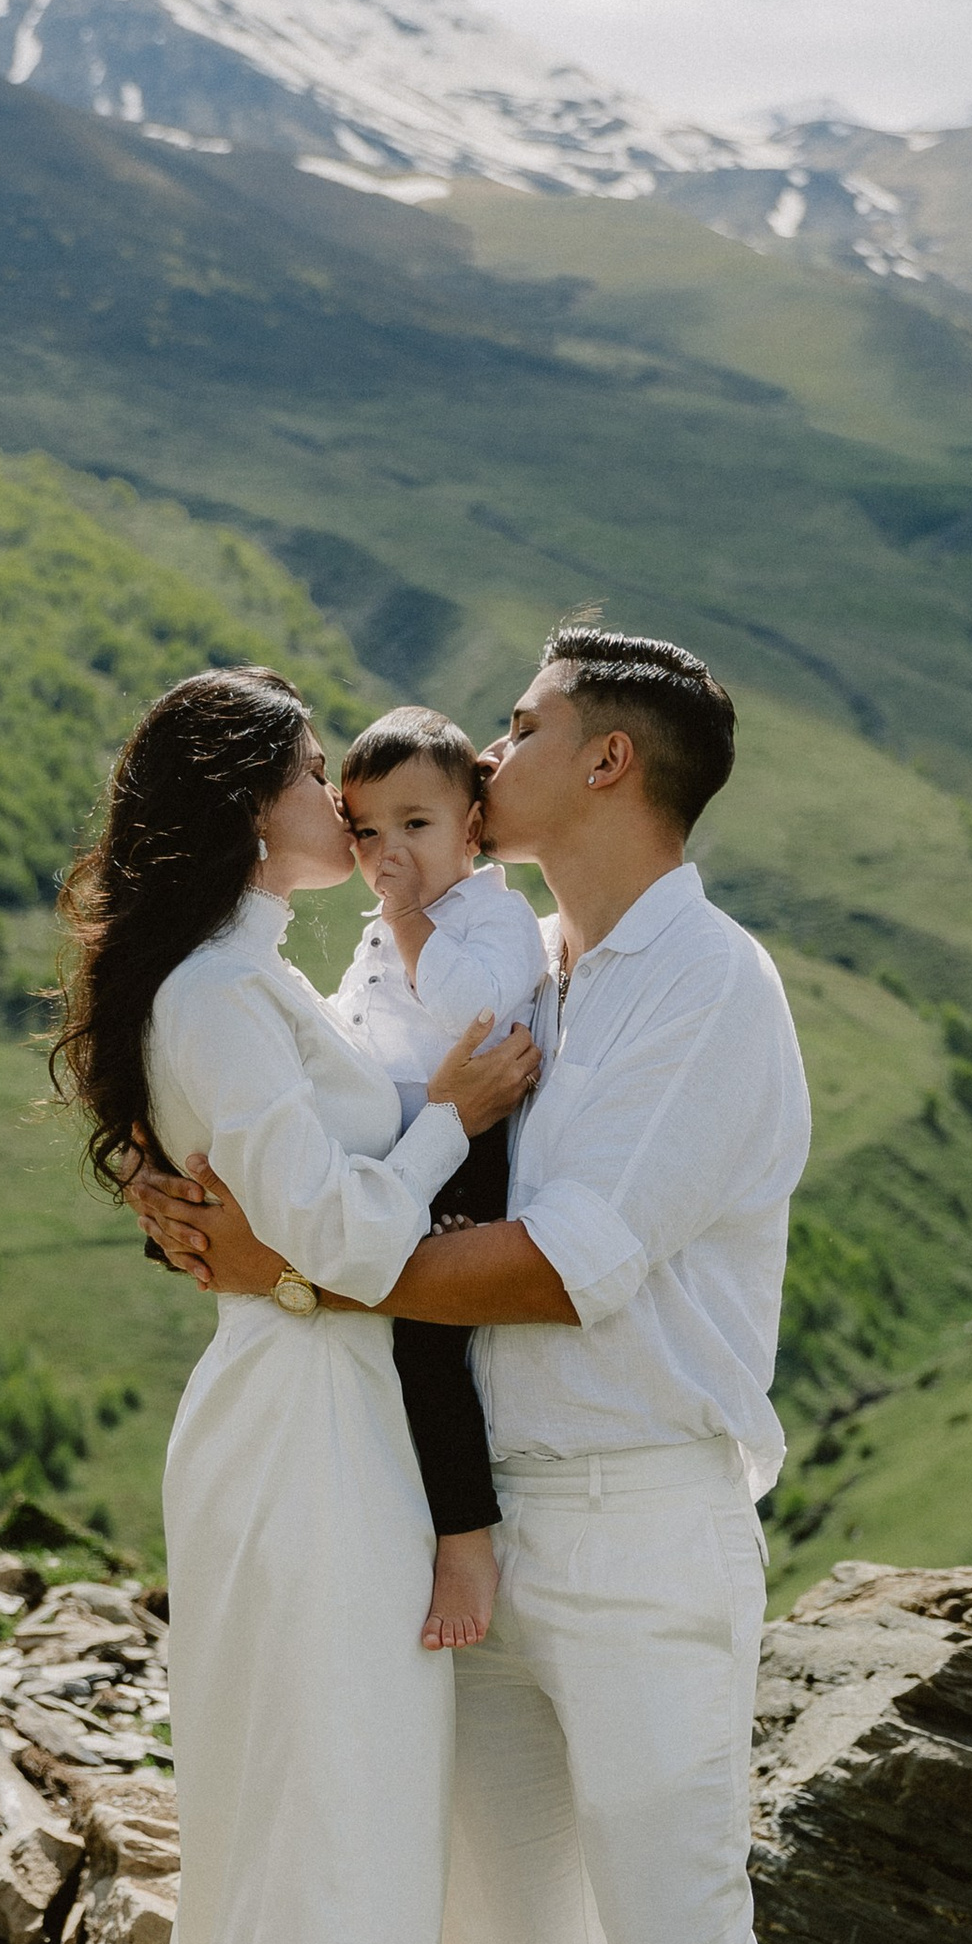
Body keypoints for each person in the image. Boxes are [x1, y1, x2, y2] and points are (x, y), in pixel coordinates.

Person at [132, 624, 821, 1944]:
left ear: (610, 760)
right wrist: (169, 1168)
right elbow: (317, 1126)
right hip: (465, 1532)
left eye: (521, 725)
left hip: (637, 1527)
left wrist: (286, 1270)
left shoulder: (706, 984)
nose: (488, 754)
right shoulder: (523, 967)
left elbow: (556, 1271)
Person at [47, 664, 538, 1944]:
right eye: (314, 769)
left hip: (332, 1415)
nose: (339, 796)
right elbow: (339, 1234)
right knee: (296, 1831)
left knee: (319, 1823)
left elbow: (309, 1203)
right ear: (251, 808)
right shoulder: (214, 993)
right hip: (301, 1434)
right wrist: (453, 1117)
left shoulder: (252, 978)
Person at [329, 704, 549, 1652]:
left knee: (426, 1347)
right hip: (399, 1145)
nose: (390, 853)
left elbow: (475, 1010)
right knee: (363, 1341)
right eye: (367, 832)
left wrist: (411, 919)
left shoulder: (494, 916)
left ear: (471, 827)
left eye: (415, 825)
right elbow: (349, 1025)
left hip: (466, 1147)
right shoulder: (387, 927)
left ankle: (465, 1539)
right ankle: (389, 1519)